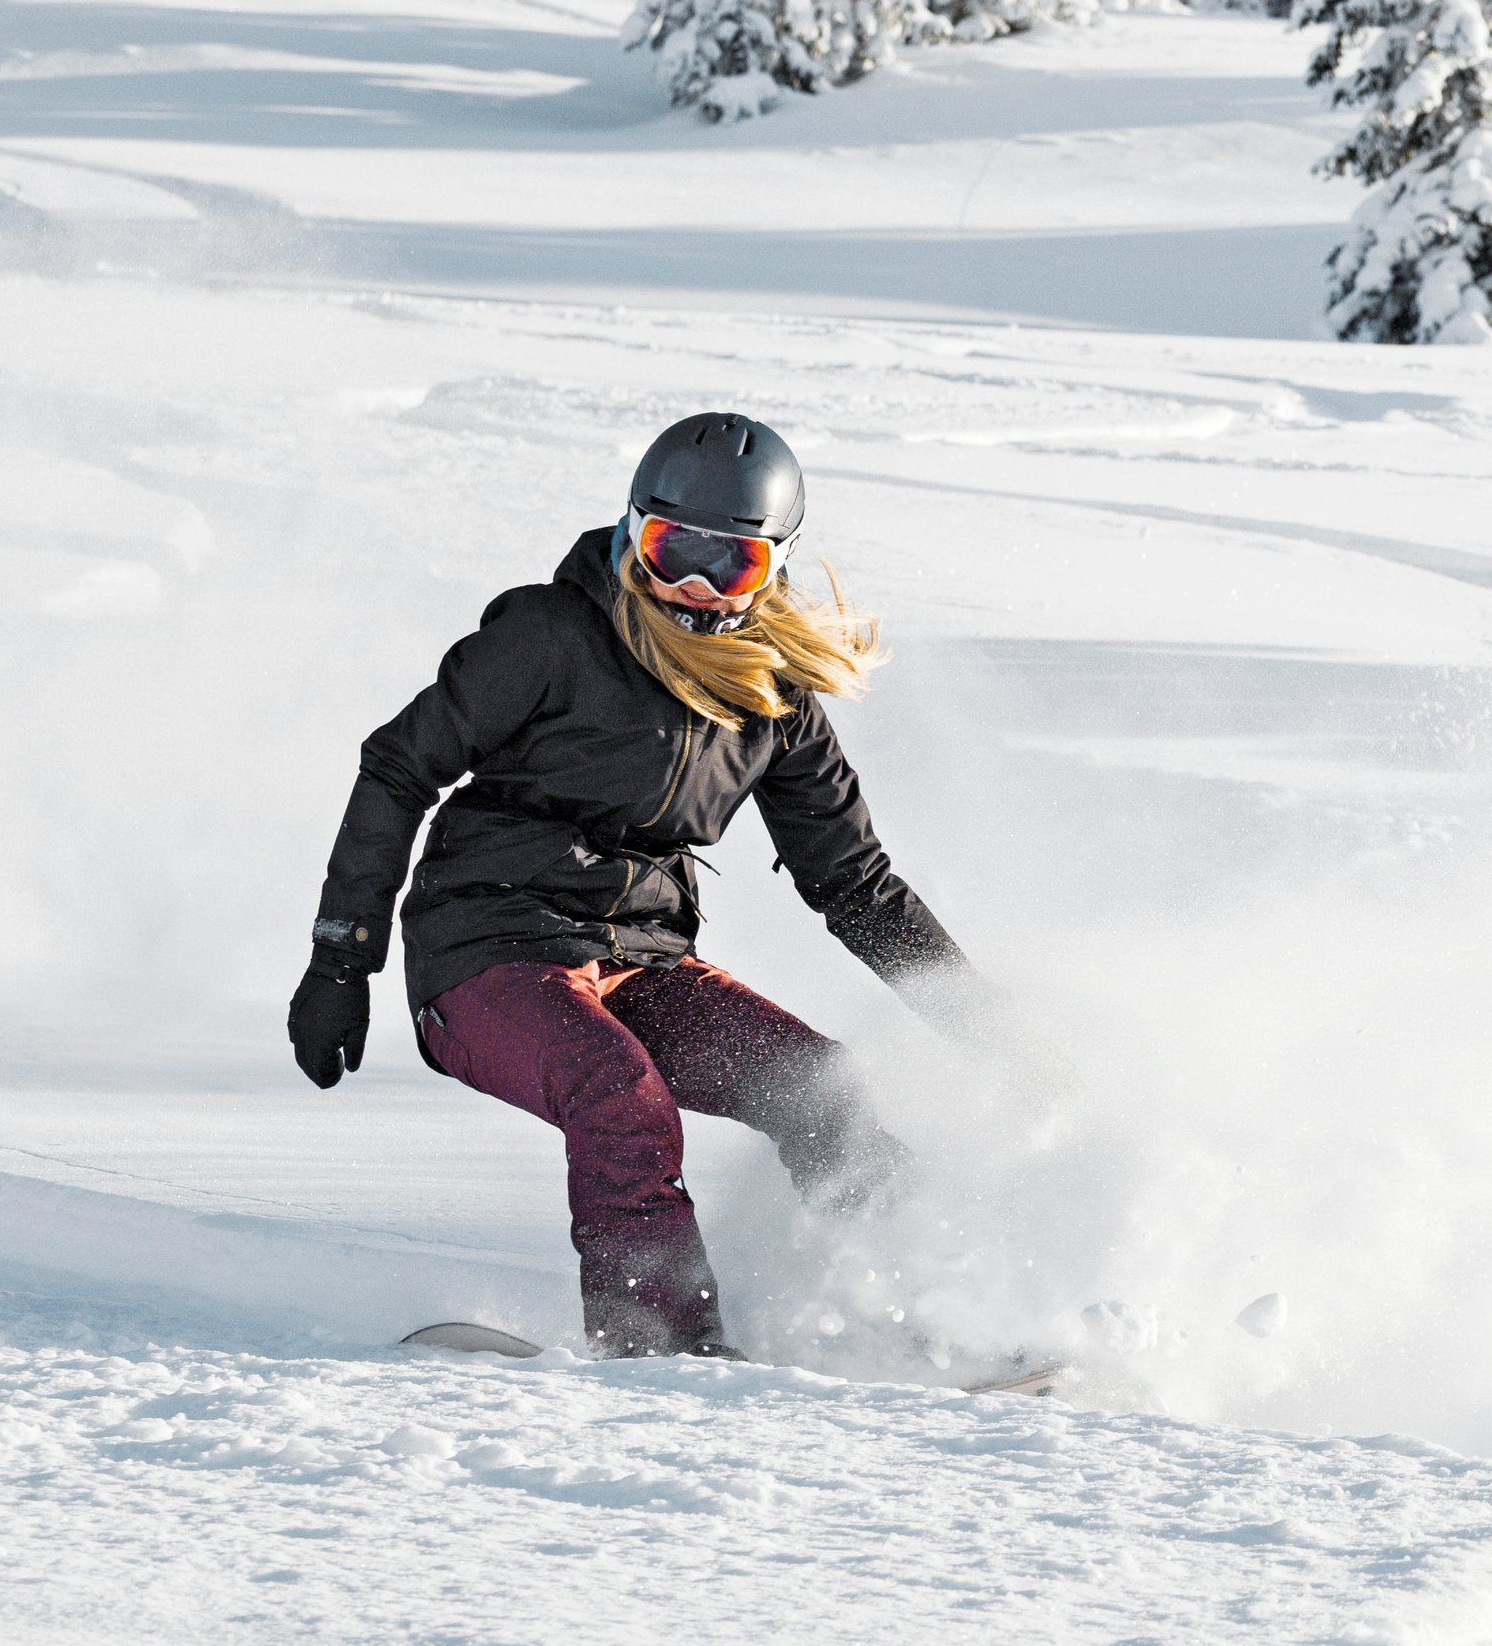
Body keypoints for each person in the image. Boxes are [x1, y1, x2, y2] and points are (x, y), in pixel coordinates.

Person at [289, 412, 980, 1357]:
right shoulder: (547, 635)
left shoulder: (770, 697)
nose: (689, 585)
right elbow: (398, 767)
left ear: (771, 566)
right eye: (667, 549)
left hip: (641, 957)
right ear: (629, 530)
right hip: (487, 948)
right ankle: (659, 1346)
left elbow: (854, 883)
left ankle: (924, 1327)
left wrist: (980, 1023)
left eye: (724, 563)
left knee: (828, 1093)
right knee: (619, 1093)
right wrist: (342, 957)